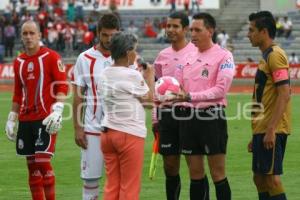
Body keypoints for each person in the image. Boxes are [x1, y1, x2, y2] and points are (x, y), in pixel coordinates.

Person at [171, 12, 234, 200]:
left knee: (217, 174)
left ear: (210, 31)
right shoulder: (187, 56)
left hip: (211, 118)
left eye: (197, 30)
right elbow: (178, 84)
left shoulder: (224, 56)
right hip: (188, 118)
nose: (193, 34)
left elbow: (221, 90)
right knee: (195, 175)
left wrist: (190, 96)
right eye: (191, 30)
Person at [4, 20, 68, 200]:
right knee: (32, 167)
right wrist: (12, 117)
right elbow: (17, 93)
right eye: (25, 33)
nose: (28, 37)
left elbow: (62, 86)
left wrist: (58, 110)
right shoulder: (18, 62)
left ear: (40, 35)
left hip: (46, 120)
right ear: (21, 36)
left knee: (42, 162)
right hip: (25, 119)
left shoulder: (51, 57)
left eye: (32, 33)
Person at [98, 32, 154, 200]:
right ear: (128, 52)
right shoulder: (131, 75)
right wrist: (149, 76)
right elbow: (150, 102)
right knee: (129, 187)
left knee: (112, 186)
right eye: (134, 51)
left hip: (107, 132)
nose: (136, 54)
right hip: (128, 133)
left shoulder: (105, 73)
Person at [72, 13, 120, 200]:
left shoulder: (126, 57)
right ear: (98, 33)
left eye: (113, 35)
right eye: (105, 35)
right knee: (90, 181)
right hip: (92, 129)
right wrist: (77, 128)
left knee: (119, 181)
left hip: (119, 129)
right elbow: (78, 95)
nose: (109, 40)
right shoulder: (84, 58)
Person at [153, 11, 197, 200]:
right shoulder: (162, 56)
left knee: (195, 167)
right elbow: (157, 91)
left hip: (189, 115)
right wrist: (155, 119)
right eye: (168, 26)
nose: (170, 29)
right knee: (170, 166)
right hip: (167, 116)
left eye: (175, 26)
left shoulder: (196, 53)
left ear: (185, 29)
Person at [247, 11, 291, 200]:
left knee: (271, 179)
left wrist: (271, 129)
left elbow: (285, 93)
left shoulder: (275, 55)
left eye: (251, 30)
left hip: (272, 128)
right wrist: (256, 132)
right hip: (262, 128)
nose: (248, 34)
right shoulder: (265, 57)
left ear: (264, 32)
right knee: (259, 178)